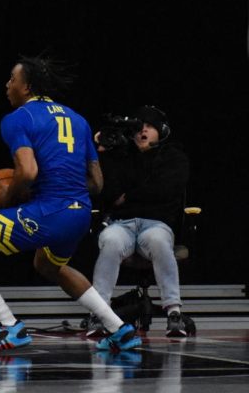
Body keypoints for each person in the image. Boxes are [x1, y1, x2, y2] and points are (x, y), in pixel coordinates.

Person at [0, 57, 142, 354]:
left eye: (12, 79)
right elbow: (97, 184)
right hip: (80, 214)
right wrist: (59, 182)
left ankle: (8, 326)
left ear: (27, 86)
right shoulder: (78, 119)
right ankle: (118, 328)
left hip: (50, 211)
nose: (7, 85)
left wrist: (7, 197)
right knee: (49, 265)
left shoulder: (19, 118)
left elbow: (27, 171)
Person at [88, 105, 192, 338]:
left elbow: (165, 190)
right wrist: (104, 153)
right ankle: (99, 312)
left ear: (162, 131)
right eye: (138, 127)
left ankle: (174, 312)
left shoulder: (174, 157)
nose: (142, 131)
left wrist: (130, 196)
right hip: (121, 224)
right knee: (111, 241)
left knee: (157, 241)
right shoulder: (122, 157)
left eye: (149, 127)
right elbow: (107, 192)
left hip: (156, 223)